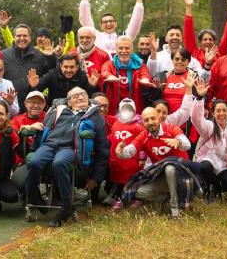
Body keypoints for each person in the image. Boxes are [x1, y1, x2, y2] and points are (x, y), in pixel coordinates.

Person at [25, 87, 108, 227]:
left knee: (59, 163)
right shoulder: (57, 110)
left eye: (83, 95)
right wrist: (34, 145)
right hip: (49, 144)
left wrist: (96, 176)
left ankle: (66, 207)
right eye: (75, 96)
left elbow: (103, 147)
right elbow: (43, 129)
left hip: (70, 148)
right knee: (33, 162)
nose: (80, 97)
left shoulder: (95, 116)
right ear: (69, 102)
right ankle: (35, 197)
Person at [115, 107, 193, 218]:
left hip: (182, 176)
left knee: (170, 167)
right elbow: (128, 152)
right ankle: (168, 197)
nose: (150, 122)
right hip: (162, 177)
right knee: (137, 192)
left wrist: (178, 141)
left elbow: (187, 145)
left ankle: (175, 210)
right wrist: (120, 151)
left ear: (159, 118)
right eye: (146, 120)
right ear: (142, 123)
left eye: (153, 118)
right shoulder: (143, 136)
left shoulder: (172, 129)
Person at [190, 84, 227, 202]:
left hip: (223, 166)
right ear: (213, 113)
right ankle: (207, 189)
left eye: (224, 110)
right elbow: (196, 118)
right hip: (206, 162)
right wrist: (199, 98)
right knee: (205, 167)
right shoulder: (208, 127)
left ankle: (216, 189)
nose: (221, 114)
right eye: (218, 111)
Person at [79, 0, 144, 54]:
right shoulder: (96, 37)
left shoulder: (123, 37)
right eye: (105, 22)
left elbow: (136, 22)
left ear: (116, 24)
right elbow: (85, 19)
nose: (108, 24)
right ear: (101, 25)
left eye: (111, 21)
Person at [1, 23, 57, 112]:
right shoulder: (4, 55)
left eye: (25, 36)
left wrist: (51, 57)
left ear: (30, 38)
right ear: (14, 37)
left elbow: (54, 73)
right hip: (9, 106)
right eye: (19, 36)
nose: (22, 38)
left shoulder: (40, 55)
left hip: (33, 107)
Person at [182, 0, 227, 67]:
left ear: (215, 42)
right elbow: (188, 34)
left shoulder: (220, 53)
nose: (208, 42)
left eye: (210, 39)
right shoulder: (194, 52)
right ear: (199, 42)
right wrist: (188, 7)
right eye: (205, 39)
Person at [105, 98, 144, 210]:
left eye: (130, 109)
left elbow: (142, 143)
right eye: (124, 109)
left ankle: (134, 198)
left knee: (131, 180)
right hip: (116, 160)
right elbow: (112, 137)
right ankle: (118, 198)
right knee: (117, 181)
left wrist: (142, 158)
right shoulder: (116, 124)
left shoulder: (138, 126)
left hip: (131, 161)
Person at [101, 36, 155, 115]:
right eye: (121, 48)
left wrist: (145, 80)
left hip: (135, 110)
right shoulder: (109, 64)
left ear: (132, 50)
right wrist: (110, 77)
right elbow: (104, 72)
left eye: (127, 48)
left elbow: (145, 74)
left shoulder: (140, 65)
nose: (124, 51)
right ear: (116, 50)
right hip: (114, 111)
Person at [27, 53, 100, 105]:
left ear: (77, 67)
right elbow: (36, 94)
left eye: (71, 67)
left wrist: (92, 86)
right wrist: (34, 86)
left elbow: (90, 97)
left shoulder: (83, 76)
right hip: (55, 110)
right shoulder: (52, 75)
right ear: (61, 66)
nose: (68, 70)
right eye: (66, 67)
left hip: (77, 110)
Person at [10, 91, 47, 193]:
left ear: (44, 105)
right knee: (20, 183)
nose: (35, 105)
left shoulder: (50, 118)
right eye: (32, 102)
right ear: (26, 103)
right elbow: (10, 134)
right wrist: (22, 130)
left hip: (46, 159)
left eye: (39, 102)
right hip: (23, 161)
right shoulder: (17, 120)